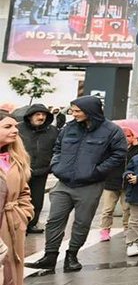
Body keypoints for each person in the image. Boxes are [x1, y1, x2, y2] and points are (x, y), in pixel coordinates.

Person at [25, 96, 127, 273]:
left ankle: (72, 256)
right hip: (64, 183)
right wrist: (57, 166)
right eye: (72, 110)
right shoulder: (69, 128)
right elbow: (57, 148)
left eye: (77, 111)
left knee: (82, 222)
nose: (73, 113)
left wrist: (97, 171)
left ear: (90, 111)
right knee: (54, 220)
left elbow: (119, 155)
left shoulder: (112, 130)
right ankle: (49, 257)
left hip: (90, 185)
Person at [0, 112, 33, 285]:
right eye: (8, 126)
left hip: (10, 226)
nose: (15, 130)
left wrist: (23, 215)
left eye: (15, 126)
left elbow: (24, 192)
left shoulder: (16, 157)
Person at [18, 104, 56, 234]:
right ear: (30, 116)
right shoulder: (18, 129)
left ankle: (32, 224)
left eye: (44, 115)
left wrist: (51, 166)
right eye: (38, 114)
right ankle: (18, 225)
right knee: (19, 199)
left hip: (41, 171)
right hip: (21, 171)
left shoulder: (53, 131)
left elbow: (58, 150)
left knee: (37, 200)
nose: (41, 117)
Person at [97, 127, 138, 241]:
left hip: (127, 183)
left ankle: (127, 228)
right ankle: (105, 230)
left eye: (129, 136)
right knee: (108, 209)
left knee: (127, 208)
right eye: (124, 136)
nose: (126, 138)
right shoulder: (111, 148)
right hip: (111, 182)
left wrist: (137, 146)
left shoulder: (137, 150)